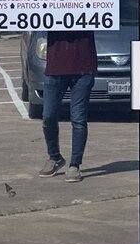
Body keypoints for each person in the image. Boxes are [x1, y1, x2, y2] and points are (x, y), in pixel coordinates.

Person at [37, 29, 96, 181]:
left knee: (78, 119)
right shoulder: (50, 5)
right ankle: (55, 157)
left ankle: (75, 165)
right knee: (48, 116)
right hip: (55, 67)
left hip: (83, 67)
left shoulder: (90, 6)